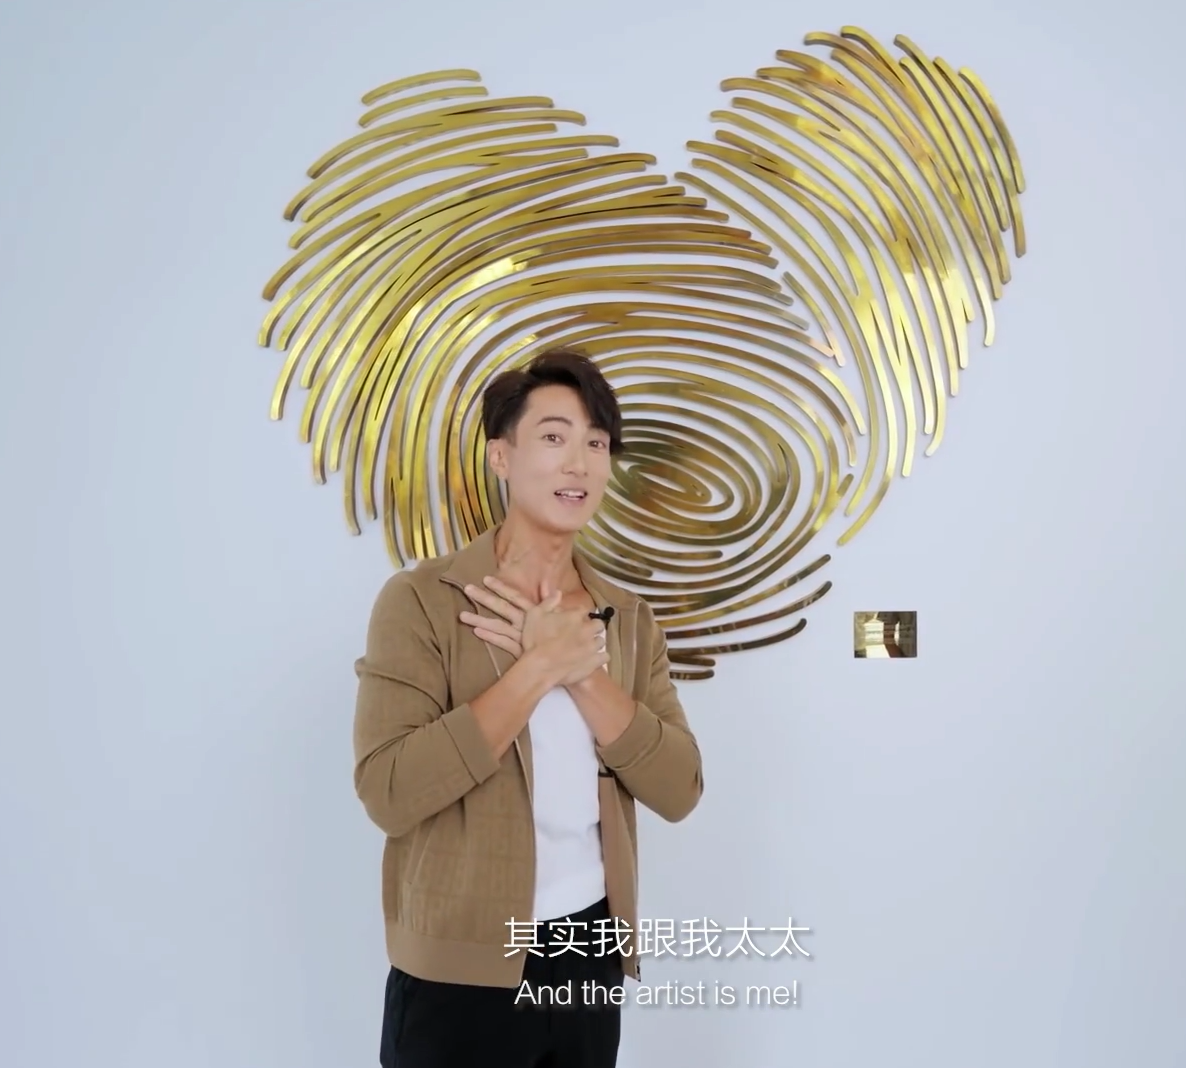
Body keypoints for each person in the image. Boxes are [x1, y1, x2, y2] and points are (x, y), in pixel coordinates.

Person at [352, 347, 704, 1068]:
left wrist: (581, 672)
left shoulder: (628, 619)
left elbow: (680, 788)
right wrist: (537, 666)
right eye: (553, 436)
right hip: (457, 972)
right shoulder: (422, 600)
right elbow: (388, 792)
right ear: (501, 456)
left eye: (596, 444)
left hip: (588, 955)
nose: (579, 463)